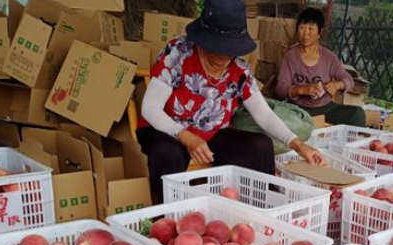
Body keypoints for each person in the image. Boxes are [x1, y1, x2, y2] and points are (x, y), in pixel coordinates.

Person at [138, 0, 326, 203]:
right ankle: (168, 216)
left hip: (211, 133)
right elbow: (150, 108)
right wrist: (186, 137)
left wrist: (299, 145)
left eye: (230, 50)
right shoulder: (178, 53)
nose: (224, 56)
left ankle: (262, 210)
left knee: (260, 145)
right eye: (217, 48)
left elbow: (264, 115)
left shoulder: (239, 70)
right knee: (168, 153)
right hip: (167, 130)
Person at [276, 8, 367, 128]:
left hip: (325, 108)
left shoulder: (329, 58)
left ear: (320, 32)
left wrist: (338, 85)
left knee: (357, 114)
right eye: (302, 28)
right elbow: (280, 89)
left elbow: (349, 80)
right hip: (297, 109)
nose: (305, 33)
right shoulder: (290, 56)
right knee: (277, 118)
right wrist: (302, 90)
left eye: (311, 29)